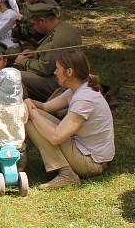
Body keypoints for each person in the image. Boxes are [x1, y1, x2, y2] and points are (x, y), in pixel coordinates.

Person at [24, 49, 115, 190]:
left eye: (57, 69)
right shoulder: (78, 88)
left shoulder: (84, 98)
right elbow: (46, 107)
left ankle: (67, 175)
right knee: (33, 115)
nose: (54, 73)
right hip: (85, 150)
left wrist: (31, 112)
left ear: (69, 72)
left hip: (93, 163)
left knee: (30, 119)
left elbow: (56, 137)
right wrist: (29, 101)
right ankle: (65, 171)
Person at [14, 2, 82, 102]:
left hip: (62, 83)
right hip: (66, 76)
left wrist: (23, 61)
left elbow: (44, 69)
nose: (33, 28)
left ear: (42, 21)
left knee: (14, 77)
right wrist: (36, 53)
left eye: (34, 24)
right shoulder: (62, 27)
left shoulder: (57, 39)